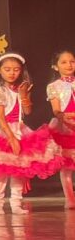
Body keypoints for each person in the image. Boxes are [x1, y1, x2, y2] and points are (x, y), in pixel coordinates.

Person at [0, 53, 61, 214]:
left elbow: (27, 111)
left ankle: (16, 204)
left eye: (16, 70)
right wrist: (12, 138)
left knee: (18, 170)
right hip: (0, 130)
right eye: (7, 69)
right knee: (0, 171)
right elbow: (1, 118)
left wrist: (24, 95)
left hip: (19, 128)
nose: (12, 73)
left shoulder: (21, 88)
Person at [46, 49, 75, 208]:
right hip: (65, 125)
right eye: (64, 62)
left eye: (72, 61)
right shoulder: (53, 86)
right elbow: (56, 110)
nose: (69, 65)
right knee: (67, 166)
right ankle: (70, 199)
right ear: (55, 66)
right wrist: (65, 118)